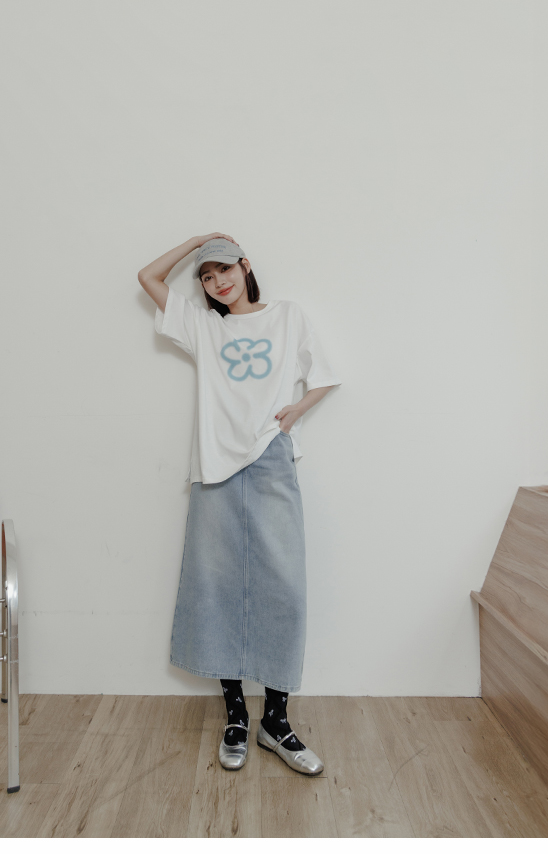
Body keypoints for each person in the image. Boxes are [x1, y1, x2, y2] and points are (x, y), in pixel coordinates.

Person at [138, 233, 341, 774]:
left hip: (271, 458)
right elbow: (148, 278)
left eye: (224, 269)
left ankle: (276, 722)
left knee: (284, 589)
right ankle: (235, 716)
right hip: (215, 468)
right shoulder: (204, 327)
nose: (216, 282)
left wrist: (296, 410)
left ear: (245, 267)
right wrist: (197, 243)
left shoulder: (288, 316)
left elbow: (323, 375)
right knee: (217, 587)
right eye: (206, 277)